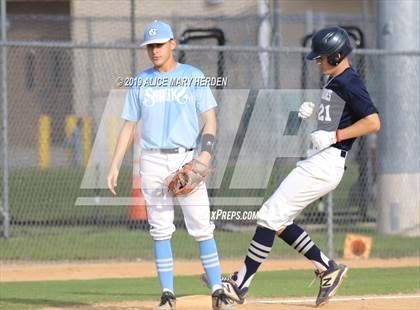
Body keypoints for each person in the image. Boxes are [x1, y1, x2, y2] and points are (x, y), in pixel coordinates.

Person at [215, 26, 381, 307]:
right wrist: (317, 111)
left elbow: (373, 121)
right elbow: (340, 114)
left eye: (322, 57)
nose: (317, 61)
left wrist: (335, 135)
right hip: (319, 160)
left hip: (327, 162)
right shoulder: (335, 80)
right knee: (278, 220)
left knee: (269, 215)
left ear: (337, 55)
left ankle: (241, 283)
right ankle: (327, 267)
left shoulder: (350, 81)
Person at [107, 20, 233, 310]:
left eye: (159, 44)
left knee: (202, 227)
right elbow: (128, 127)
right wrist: (114, 164)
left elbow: (210, 120)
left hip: (186, 157)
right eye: (150, 46)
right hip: (151, 159)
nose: (154, 50)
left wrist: (205, 156)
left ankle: (218, 291)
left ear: (172, 44)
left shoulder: (193, 76)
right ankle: (167, 295)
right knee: (160, 229)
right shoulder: (140, 81)